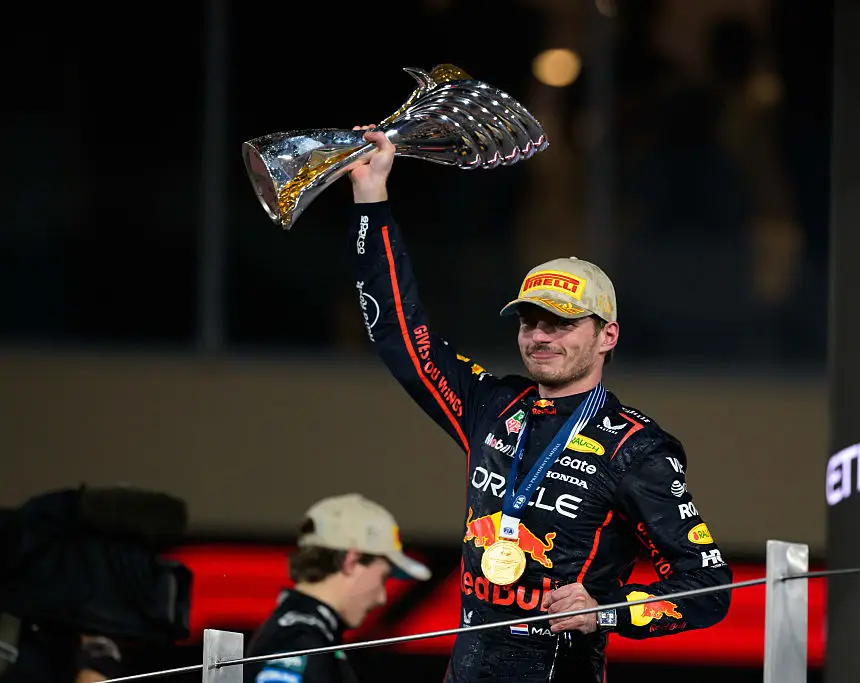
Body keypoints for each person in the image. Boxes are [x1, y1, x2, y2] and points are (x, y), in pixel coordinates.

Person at [344, 127, 733, 683]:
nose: (540, 336)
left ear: (607, 336)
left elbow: (709, 588)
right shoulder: (493, 405)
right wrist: (371, 197)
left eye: (561, 323)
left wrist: (610, 609)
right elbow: (401, 334)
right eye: (530, 320)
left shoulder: (637, 448)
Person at [243, 494, 431, 683]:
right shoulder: (300, 640)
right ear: (352, 562)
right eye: (383, 577)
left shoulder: (305, 634)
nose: (381, 598)